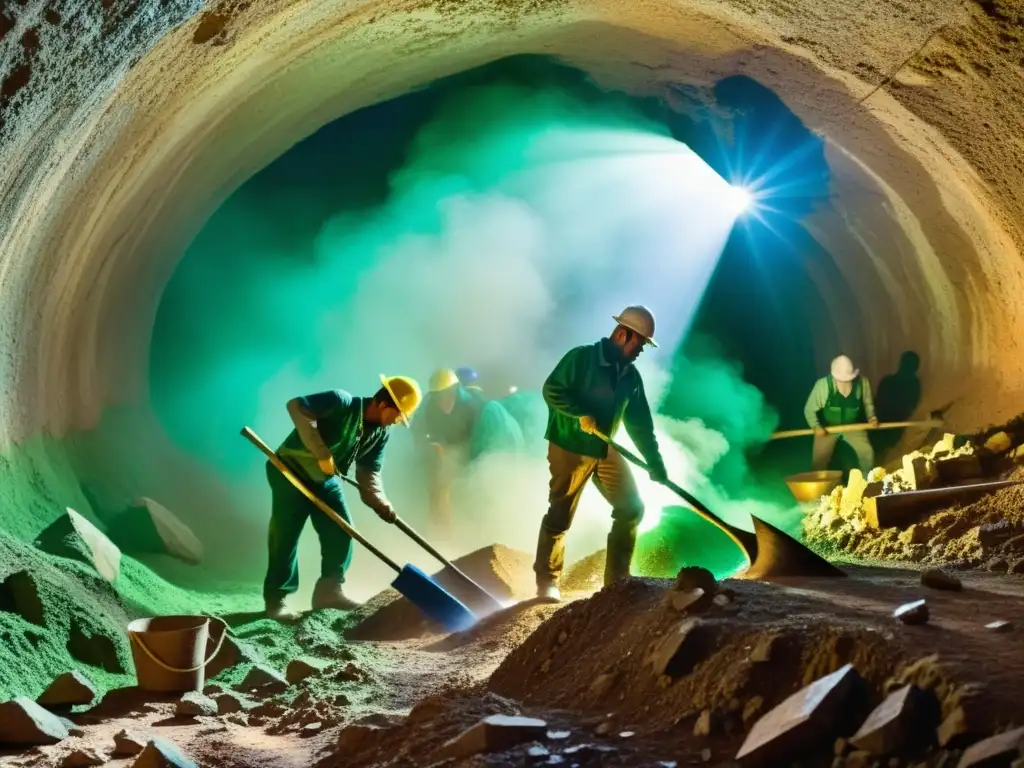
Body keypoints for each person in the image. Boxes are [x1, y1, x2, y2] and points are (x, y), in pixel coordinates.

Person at [533, 305, 668, 603]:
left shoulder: (631, 378)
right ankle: (547, 580)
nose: (640, 351)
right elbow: (552, 389)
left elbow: (641, 425)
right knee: (561, 514)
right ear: (622, 334)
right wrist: (579, 413)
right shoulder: (581, 358)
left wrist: (655, 463)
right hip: (569, 446)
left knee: (632, 508)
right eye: (640, 344)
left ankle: (617, 580)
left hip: (604, 449)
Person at [264, 375, 422, 623]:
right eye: (397, 415)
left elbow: (369, 472)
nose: (396, 422)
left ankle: (329, 592)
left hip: (325, 481)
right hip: (289, 470)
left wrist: (381, 503)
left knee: (342, 530)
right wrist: (320, 451)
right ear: (383, 405)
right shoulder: (341, 402)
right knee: (286, 534)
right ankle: (276, 600)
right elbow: (295, 405)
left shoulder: (381, 434)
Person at [413, 369, 488, 532]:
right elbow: (420, 430)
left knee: (462, 490)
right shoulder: (430, 408)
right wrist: (431, 444)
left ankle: (467, 529)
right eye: (438, 396)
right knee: (438, 486)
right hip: (444, 451)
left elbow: (482, 435)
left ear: (455, 391)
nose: (443, 400)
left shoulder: (473, 405)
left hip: (470, 451)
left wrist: (470, 456)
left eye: (446, 394)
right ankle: (439, 529)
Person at [804, 355, 878, 475]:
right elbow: (809, 409)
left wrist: (872, 417)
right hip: (827, 427)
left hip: (852, 426)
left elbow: (868, 403)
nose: (844, 381)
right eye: (840, 379)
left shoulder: (862, 383)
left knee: (867, 452)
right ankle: (819, 485)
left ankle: (867, 481)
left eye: (848, 378)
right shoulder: (823, 385)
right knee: (819, 461)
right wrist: (815, 426)